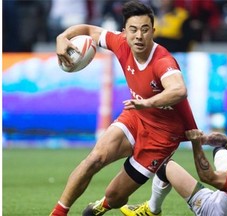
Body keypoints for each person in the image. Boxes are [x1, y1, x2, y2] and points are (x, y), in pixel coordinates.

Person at [50, 1, 198, 216]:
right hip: (135, 117)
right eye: (134, 30)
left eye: (145, 30)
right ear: (124, 32)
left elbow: (179, 90)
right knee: (95, 159)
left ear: (153, 32)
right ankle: (58, 213)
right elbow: (89, 30)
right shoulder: (119, 42)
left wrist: (147, 102)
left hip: (162, 136)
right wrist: (62, 37)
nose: (139, 36)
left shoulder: (163, 61)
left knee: (115, 196)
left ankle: (105, 204)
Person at [120, 129, 227, 216]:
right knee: (221, 148)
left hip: (212, 209)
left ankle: (151, 210)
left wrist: (196, 143)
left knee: (165, 165)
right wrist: (208, 139)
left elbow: (207, 176)